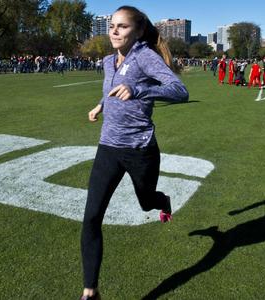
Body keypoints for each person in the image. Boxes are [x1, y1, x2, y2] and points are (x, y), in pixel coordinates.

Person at [82, 6, 189, 300]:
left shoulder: (145, 57)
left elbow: (180, 90)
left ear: (138, 31)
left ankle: (162, 200)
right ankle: (90, 290)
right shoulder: (107, 61)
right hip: (108, 147)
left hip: (140, 149)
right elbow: (110, 89)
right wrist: (100, 105)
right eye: (112, 26)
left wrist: (139, 90)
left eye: (122, 27)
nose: (114, 32)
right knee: (91, 217)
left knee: (145, 203)